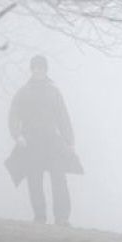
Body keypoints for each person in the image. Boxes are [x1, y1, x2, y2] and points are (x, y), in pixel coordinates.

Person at [7, 55, 81, 226]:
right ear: (31, 70)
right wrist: (17, 135)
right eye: (35, 67)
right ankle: (39, 217)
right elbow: (13, 115)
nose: (38, 70)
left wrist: (70, 142)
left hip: (51, 141)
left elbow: (63, 118)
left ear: (46, 70)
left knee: (59, 178)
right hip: (31, 141)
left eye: (41, 67)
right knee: (34, 179)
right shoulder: (23, 92)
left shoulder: (54, 92)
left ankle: (62, 218)